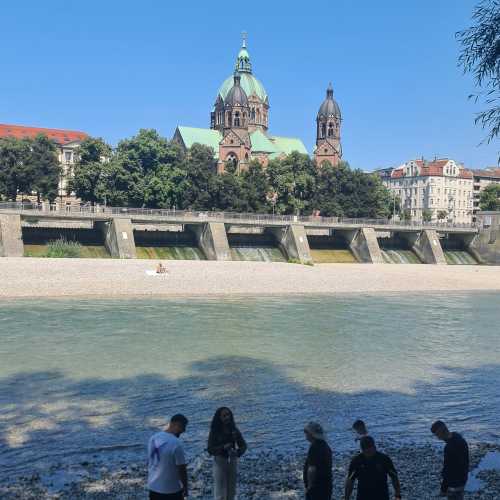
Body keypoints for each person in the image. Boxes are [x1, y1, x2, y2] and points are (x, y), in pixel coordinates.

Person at [207, 407, 247, 500]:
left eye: (228, 415)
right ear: (219, 417)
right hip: (220, 461)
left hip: (232, 460)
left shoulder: (234, 429)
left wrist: (238, 453)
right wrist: (223, 447)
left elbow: (243, 445)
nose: (227, 417)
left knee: (231, 490)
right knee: (220, 491)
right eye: (224, 415)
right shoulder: (214, 431)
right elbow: (210, 449)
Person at [345, 436, 401, 500]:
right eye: (365, 449)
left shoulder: (384, 459)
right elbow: (350, 480)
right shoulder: (356, 461)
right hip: (363, 496)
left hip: (381, 495)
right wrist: (346, 497)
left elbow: (394, 477)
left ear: (374, 447)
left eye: (369, 448)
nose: (367, 451)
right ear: (361, 449)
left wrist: (398, 495)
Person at [147, 414, 189, 499]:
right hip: (171, 490)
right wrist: (185, 487)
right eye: (182, 427)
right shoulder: (176, 444)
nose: (184, 430)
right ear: (174, 424)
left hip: (153, 487)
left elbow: (151, 461)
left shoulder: (153, 438)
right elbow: (181, 469)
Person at [431, 420, 469, 499]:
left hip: (455, 483)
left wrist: (443, 489)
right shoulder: (457, 436)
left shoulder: (449, 448)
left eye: (436, 435)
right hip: (463, 477)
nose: (437, 438)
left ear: (440, 433)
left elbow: (448, 471)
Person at [303, 421, 333, 500]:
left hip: (317, 487)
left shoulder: (314, 447)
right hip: (326, 485)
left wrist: (309, 486)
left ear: (311, 434)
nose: (305, 434)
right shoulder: (325, 445)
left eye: (306, 432)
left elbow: (312, 469)